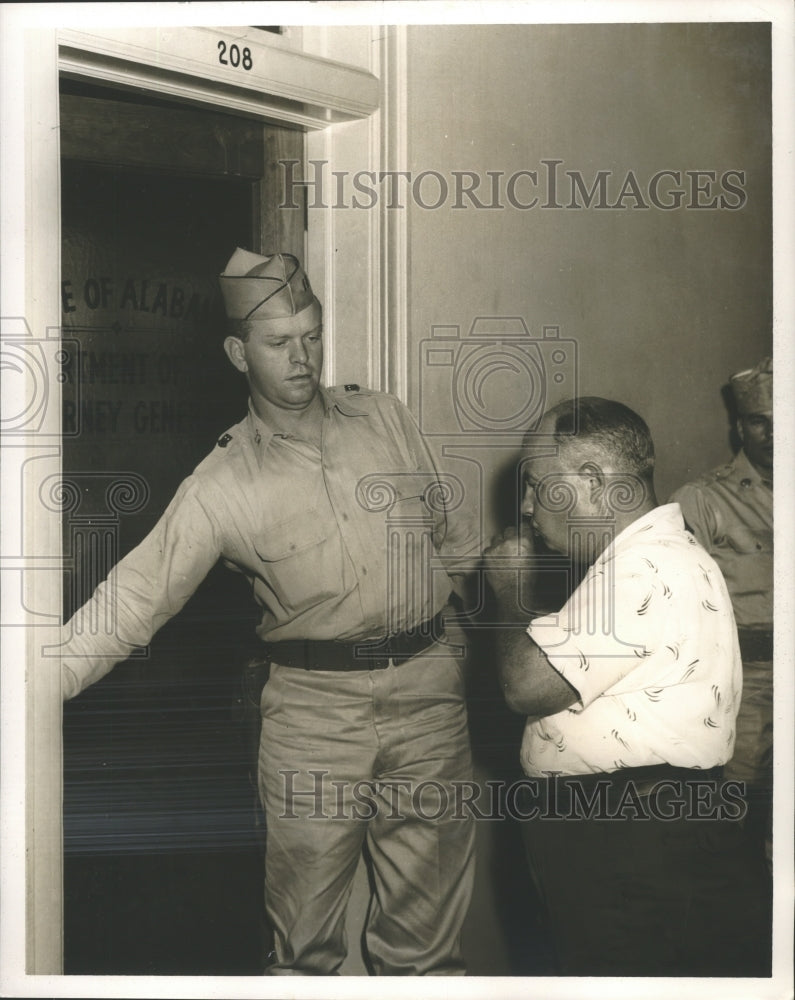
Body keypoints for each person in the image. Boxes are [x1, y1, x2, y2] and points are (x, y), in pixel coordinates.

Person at [60, 248, 480, 975]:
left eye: (311, 335)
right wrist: (28, 691)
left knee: (429, 951)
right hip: (314, 719)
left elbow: (461, 547)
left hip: (430, 701)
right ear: (237, 352)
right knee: (306, 950)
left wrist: (475, 655)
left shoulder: (384, 418)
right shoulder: (221, 483)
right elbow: (132, 601)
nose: (303, 358)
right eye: (279, 343)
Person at [483, 396, 770, 977]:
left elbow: (525, 684)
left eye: (539, 485)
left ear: (592, 480)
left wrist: (509, 590)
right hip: (636, 838)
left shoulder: (643, 568)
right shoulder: (650, 559)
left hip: (629, 844)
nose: (530, 506)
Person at [670, 357, 773, 867]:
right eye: (760, 421)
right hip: (743, 685)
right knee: (734, 827)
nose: (774, 433)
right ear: (740, 426)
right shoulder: (704, 499)